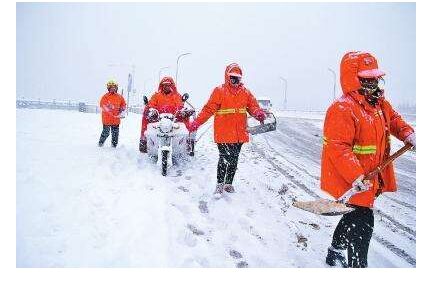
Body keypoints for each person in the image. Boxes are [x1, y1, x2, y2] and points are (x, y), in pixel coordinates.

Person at [321, 52, 416, 268]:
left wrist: (408, 134)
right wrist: (356, 175)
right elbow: (338, 147)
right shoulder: (342, 108)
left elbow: (394, 120)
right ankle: (358, 268)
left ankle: (334, 251)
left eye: (375, 78)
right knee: (364, 222)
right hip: (352, 178)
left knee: (353, 215)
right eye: (368, 79)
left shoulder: (379, 104)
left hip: (369, 176)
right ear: (354, 79)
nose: (374, 83)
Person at [187, 63, 266, 194]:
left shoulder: (245, 92)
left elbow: (253, 106)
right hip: (224, 133)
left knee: (234, 159)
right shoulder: (219, 91)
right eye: (232, 77)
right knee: (224, 158)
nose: (235, 80)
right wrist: (196, 122)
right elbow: (208, 109)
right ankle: (219, 185)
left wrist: (258, 113)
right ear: (227, 77)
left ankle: (228, 184)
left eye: (238, 78)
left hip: (239, 133)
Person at [139, 76, 193, 153]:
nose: (166, 86)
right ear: (161, 85)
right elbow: (151, 105)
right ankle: (144, 141)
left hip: (174, 120)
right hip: (158, 120)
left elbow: (180, 107)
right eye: (164, 85)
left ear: (171, 85)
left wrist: (183, 112)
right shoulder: (156, 96)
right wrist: (152, 111)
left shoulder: (177, 96)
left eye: (168, 85)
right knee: (146, 114)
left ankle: (187, 143)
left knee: (185, 122)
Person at [98, 80, 127, 148]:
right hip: (107, 119)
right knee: (106, 133)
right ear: (108, 88)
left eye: (114, 87)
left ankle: (114, 146)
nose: (113, 88)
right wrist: (109, 109)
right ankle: (100, 143)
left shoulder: (120, 97)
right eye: (111, 87)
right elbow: (102, 105)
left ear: (116, 88)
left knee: (115, 134)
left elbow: (123, 105)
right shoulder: (105, 97)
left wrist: (122, 110)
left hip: (116, 119)